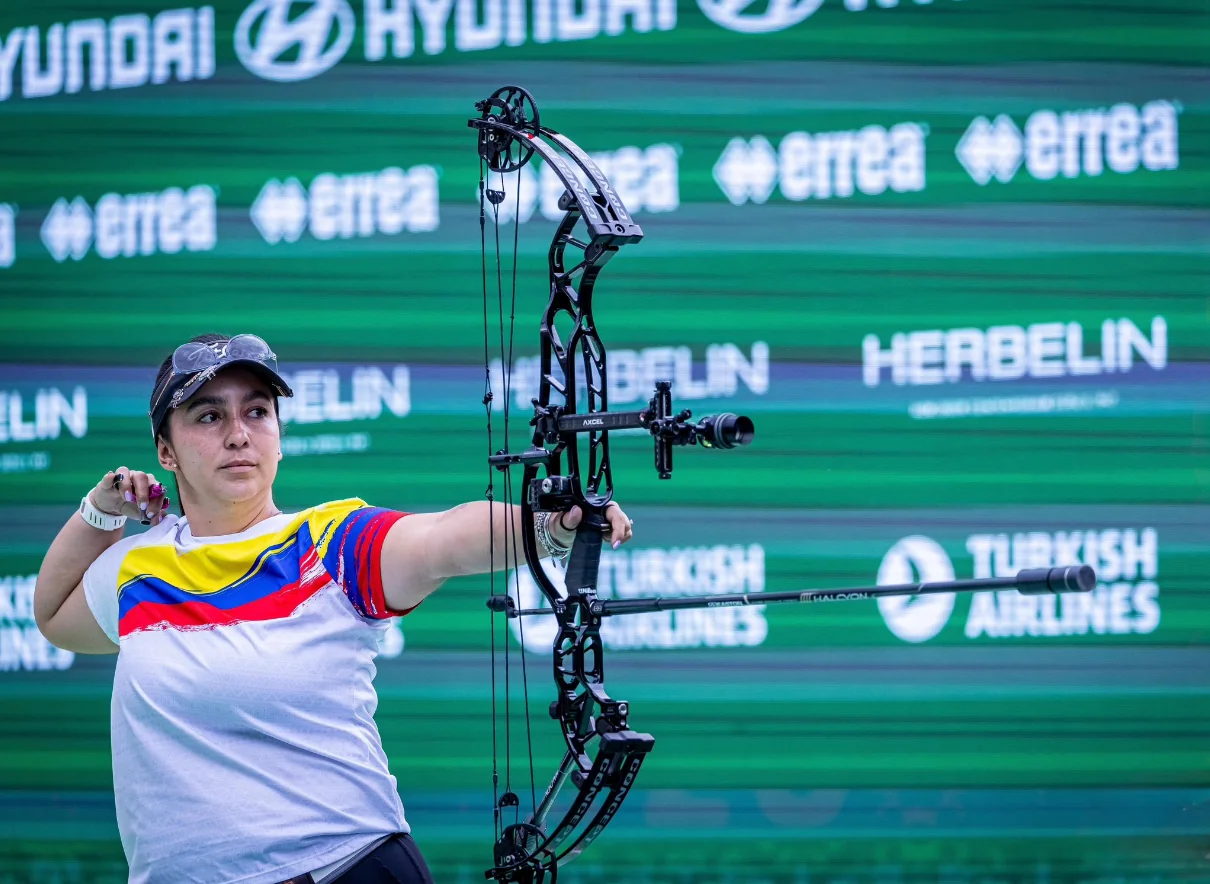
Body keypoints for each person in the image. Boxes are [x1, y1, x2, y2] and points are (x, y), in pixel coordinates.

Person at [33, 333, 634, 884]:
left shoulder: (328, 540)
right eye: (209, 415)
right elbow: (54, 615)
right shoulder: (139, 566)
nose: (238, 434)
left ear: (279, 435)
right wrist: (100, 508)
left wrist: (548, 527)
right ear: (166, 450)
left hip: (340, 868)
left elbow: (443, 537)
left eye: (257, 412)